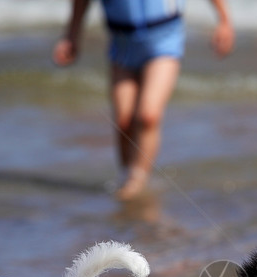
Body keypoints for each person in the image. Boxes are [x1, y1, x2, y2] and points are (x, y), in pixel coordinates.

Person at [53, 0, 234, 201]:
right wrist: (72, 34)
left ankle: (137, 181)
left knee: (148, 116)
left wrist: (224, 21)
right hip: (122, 43)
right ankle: (127, 177)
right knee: (124, 121)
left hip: (165, 40)